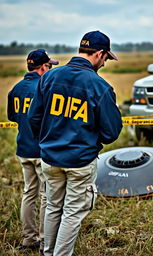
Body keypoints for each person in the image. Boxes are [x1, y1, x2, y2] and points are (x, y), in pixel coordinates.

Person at [28, 30, 123, 256]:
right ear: (99, 54)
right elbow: (111, 131)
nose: (105, 63)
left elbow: (33, 117)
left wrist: (47, 140)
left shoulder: (49, 77)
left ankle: (48, 252)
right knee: (72, 212)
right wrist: (90, 140)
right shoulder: (100, 87)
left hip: (49, 158)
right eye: (106, 58)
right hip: (80, 162)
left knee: (52, 207)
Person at [7, 49, 59, 254]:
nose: (51, 69)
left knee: (29, 193)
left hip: (23, 149)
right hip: (41, 150)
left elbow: (12, 117)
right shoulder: (43, 88)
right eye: (50, 66)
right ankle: (46, 240)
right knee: (47, 196)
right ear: (43, 67)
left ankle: (28, 239)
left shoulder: (16, 88)